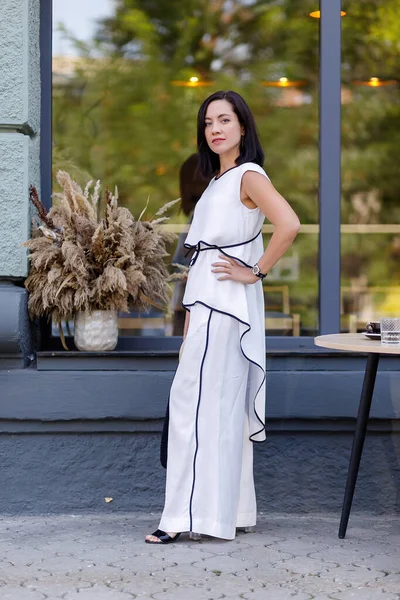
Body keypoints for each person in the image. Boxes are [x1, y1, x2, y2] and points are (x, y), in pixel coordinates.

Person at [145, 90, 300, 544]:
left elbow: (287, 224)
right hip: (209, 308)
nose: (215, 128)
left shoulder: (247, 175)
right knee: (210, 410)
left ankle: (179, 520)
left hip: (224, 307)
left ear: (243, 128)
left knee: (195, 412)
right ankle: (226, 514)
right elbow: (200, 262)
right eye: (208, 122)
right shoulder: (216, 180)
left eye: (224, 120)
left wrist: (255, 272)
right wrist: (190, 321)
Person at [170, 154, 210, 336]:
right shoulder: (202, 213)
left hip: (191, 303)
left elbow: (181, 263)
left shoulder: (203, 214)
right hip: (191, 302)